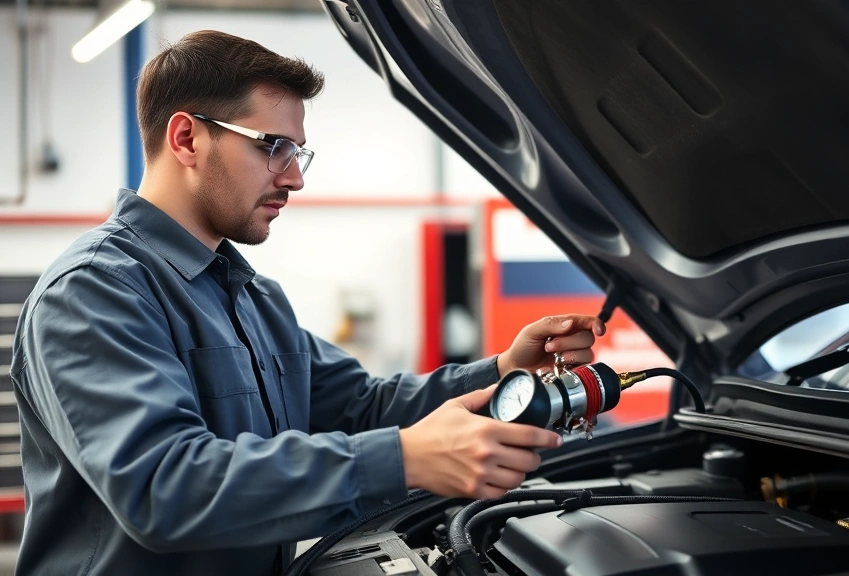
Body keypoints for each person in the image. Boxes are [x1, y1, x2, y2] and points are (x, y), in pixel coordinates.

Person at [10, 30, 605, 576]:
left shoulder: (254, 299)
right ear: (187, 138)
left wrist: (503, 371)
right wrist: (399, 460)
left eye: (298, 152)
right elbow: (164, 486)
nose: (294, 178)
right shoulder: (94, 291)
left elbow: (361, 408)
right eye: (272, 146)